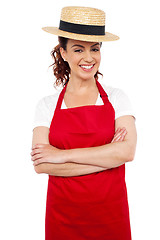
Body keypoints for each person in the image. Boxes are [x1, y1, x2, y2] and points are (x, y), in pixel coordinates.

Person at [31, 6, 137, 240]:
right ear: (64, 52)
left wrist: (62, 155)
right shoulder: (46, 105)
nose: (89, 58)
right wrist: (108, 158)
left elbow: (127, 151)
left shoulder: (118, 98)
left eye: (95, 49)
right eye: (78, 49)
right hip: (63, 219)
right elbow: (41, 164)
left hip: (111, 217)